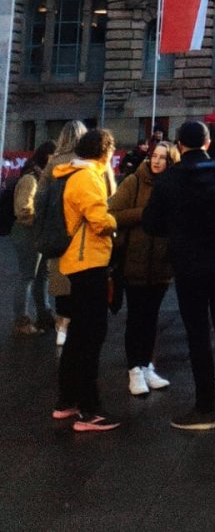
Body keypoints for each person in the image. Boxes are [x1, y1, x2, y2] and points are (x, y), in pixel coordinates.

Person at [143, 119, 215, 431]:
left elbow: (151, 224)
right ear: (208, 143)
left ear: (180, 145)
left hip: (190, 266)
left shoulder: (169, 179)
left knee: (198, 334)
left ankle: (205, 407)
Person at [52, 127, 120, 432]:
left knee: (78, 336)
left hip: (74, 263)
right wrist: (117, 221)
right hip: (88, 263)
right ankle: (90, 411)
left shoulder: (69, 173)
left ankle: (66, 402)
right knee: (90, 337)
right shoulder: (88, 177)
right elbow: (99, 220)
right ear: (105, 152)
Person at [108, 138, 176, 396]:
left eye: (163, 158)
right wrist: (144, 212)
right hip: (134, 262)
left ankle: (147, 365)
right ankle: (133, 369)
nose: (157, 161)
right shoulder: (133, 182)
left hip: (162, 263)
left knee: (151, 317)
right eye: (155, 156)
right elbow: (111, 214)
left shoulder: (173, 186)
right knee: (136, 317)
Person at [35, 119, 88, 348]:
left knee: (59, 279)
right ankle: (78, 325)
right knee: (82, 280)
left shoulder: (53, 163)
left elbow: (39, 199)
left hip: (57, 229)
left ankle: (62, 327)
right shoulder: (89, 162)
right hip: (84, 230)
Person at [10, 141, 56, 336]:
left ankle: (44, 315)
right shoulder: (31, 179)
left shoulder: (44, 178)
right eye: (55, 155)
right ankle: (21, 322)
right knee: (27, 277)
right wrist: (43, 217)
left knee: (42, 276)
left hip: (39, 233)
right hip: (27, 233)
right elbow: (23, 210)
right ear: (46, 156)